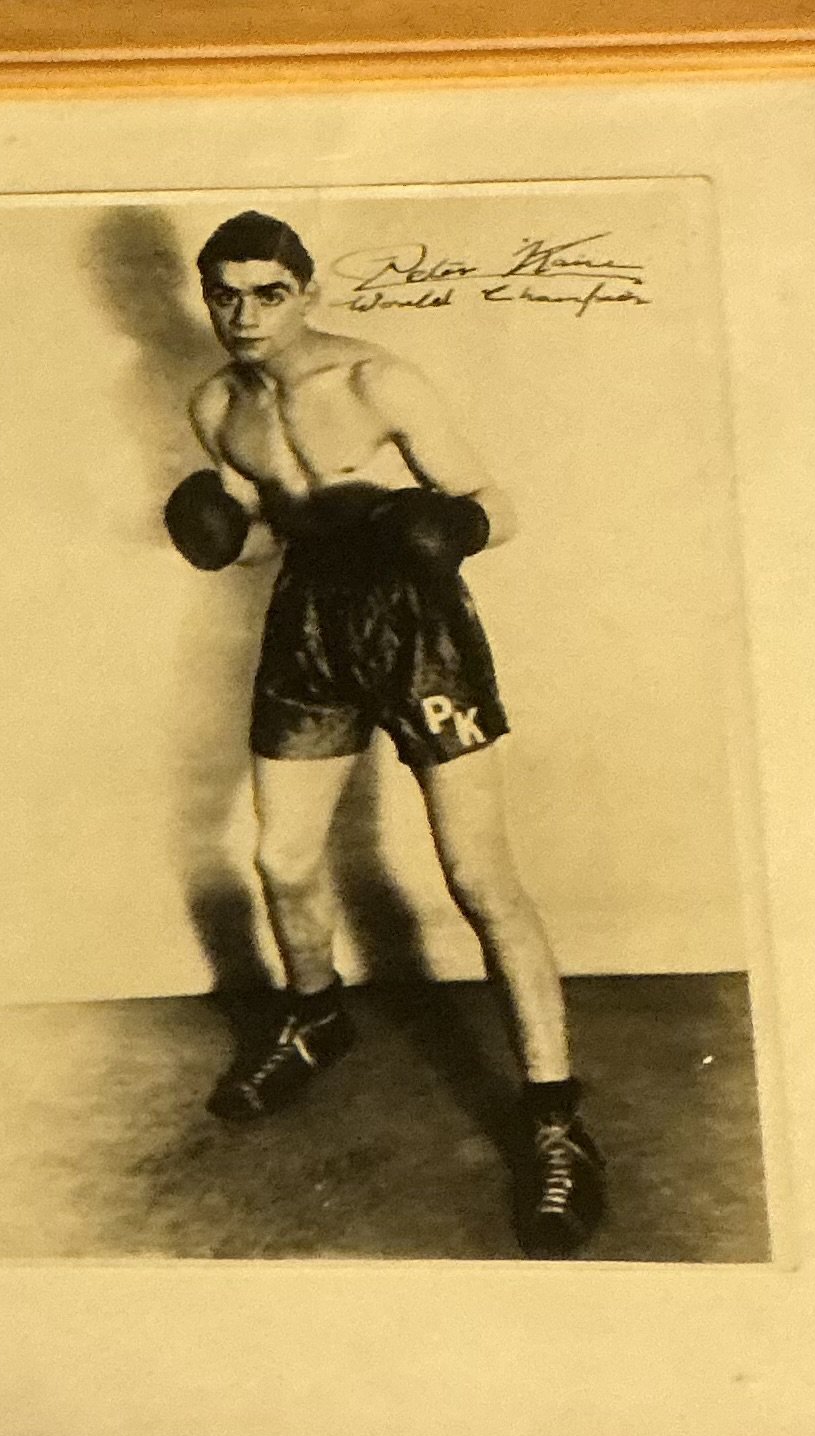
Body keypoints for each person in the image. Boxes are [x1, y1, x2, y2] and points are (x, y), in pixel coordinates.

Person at [161, 209, 604, 1258]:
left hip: (414, 620)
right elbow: (262, 530)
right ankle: (316, 1015)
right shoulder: (216, 404)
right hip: (309, 621)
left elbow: (497, 499)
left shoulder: (375, 382)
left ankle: (556, 1125)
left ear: (306, 292)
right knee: (280, 855)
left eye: (267, 291)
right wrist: (223, 533)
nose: (243, 313)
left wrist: (445, 528)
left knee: (479, 875)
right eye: (224, 292)